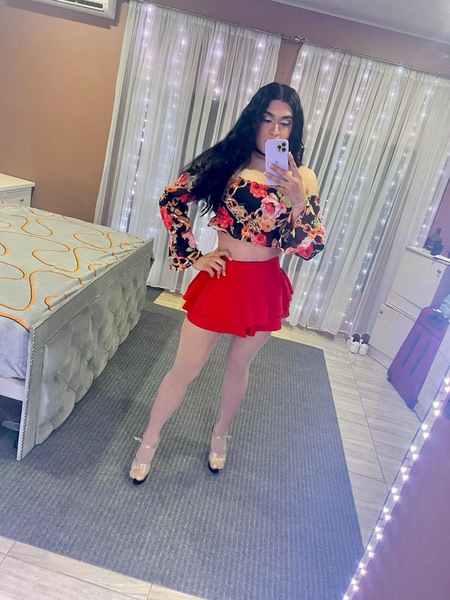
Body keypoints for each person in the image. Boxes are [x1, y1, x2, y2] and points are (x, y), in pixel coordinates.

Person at [129, 82, 326, 484]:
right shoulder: (227, 162)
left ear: (295, 128)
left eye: (285, 122)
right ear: (253, 120)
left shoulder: (303, 177)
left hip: (264, 285)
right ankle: (149, 439)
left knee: (238, 368)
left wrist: (297, 201)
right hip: (222, 278)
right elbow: (172, 199)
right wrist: (193, 256)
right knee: (185, 368)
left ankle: (220, 434)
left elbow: (307, 247)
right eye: (267, 119)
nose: (275, 130)